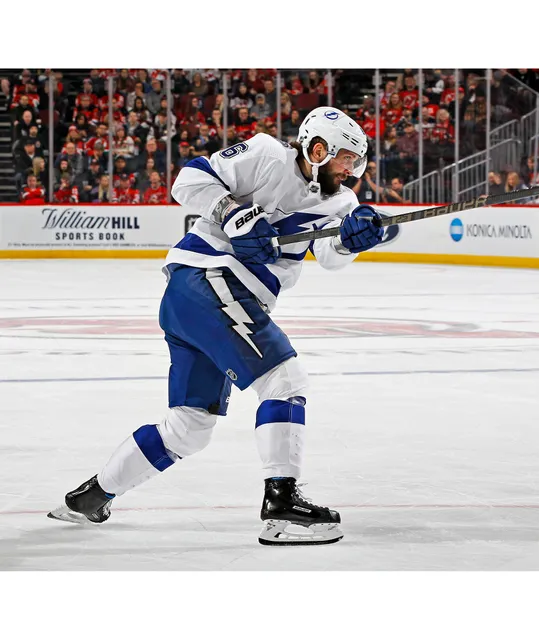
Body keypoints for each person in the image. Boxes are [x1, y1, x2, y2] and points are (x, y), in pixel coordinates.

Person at [48, 107, 382, 547]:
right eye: (346, 158)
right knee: (285, 379)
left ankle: (90, 497)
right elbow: (187, 180)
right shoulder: (266, 155)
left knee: (189, 428)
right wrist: (232, 213)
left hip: (198, 303)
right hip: (208, 279)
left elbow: (331, 256)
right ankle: (281, 507)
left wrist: (352, 240)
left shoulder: (341, 203)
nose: (352, 169)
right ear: (318, 149)